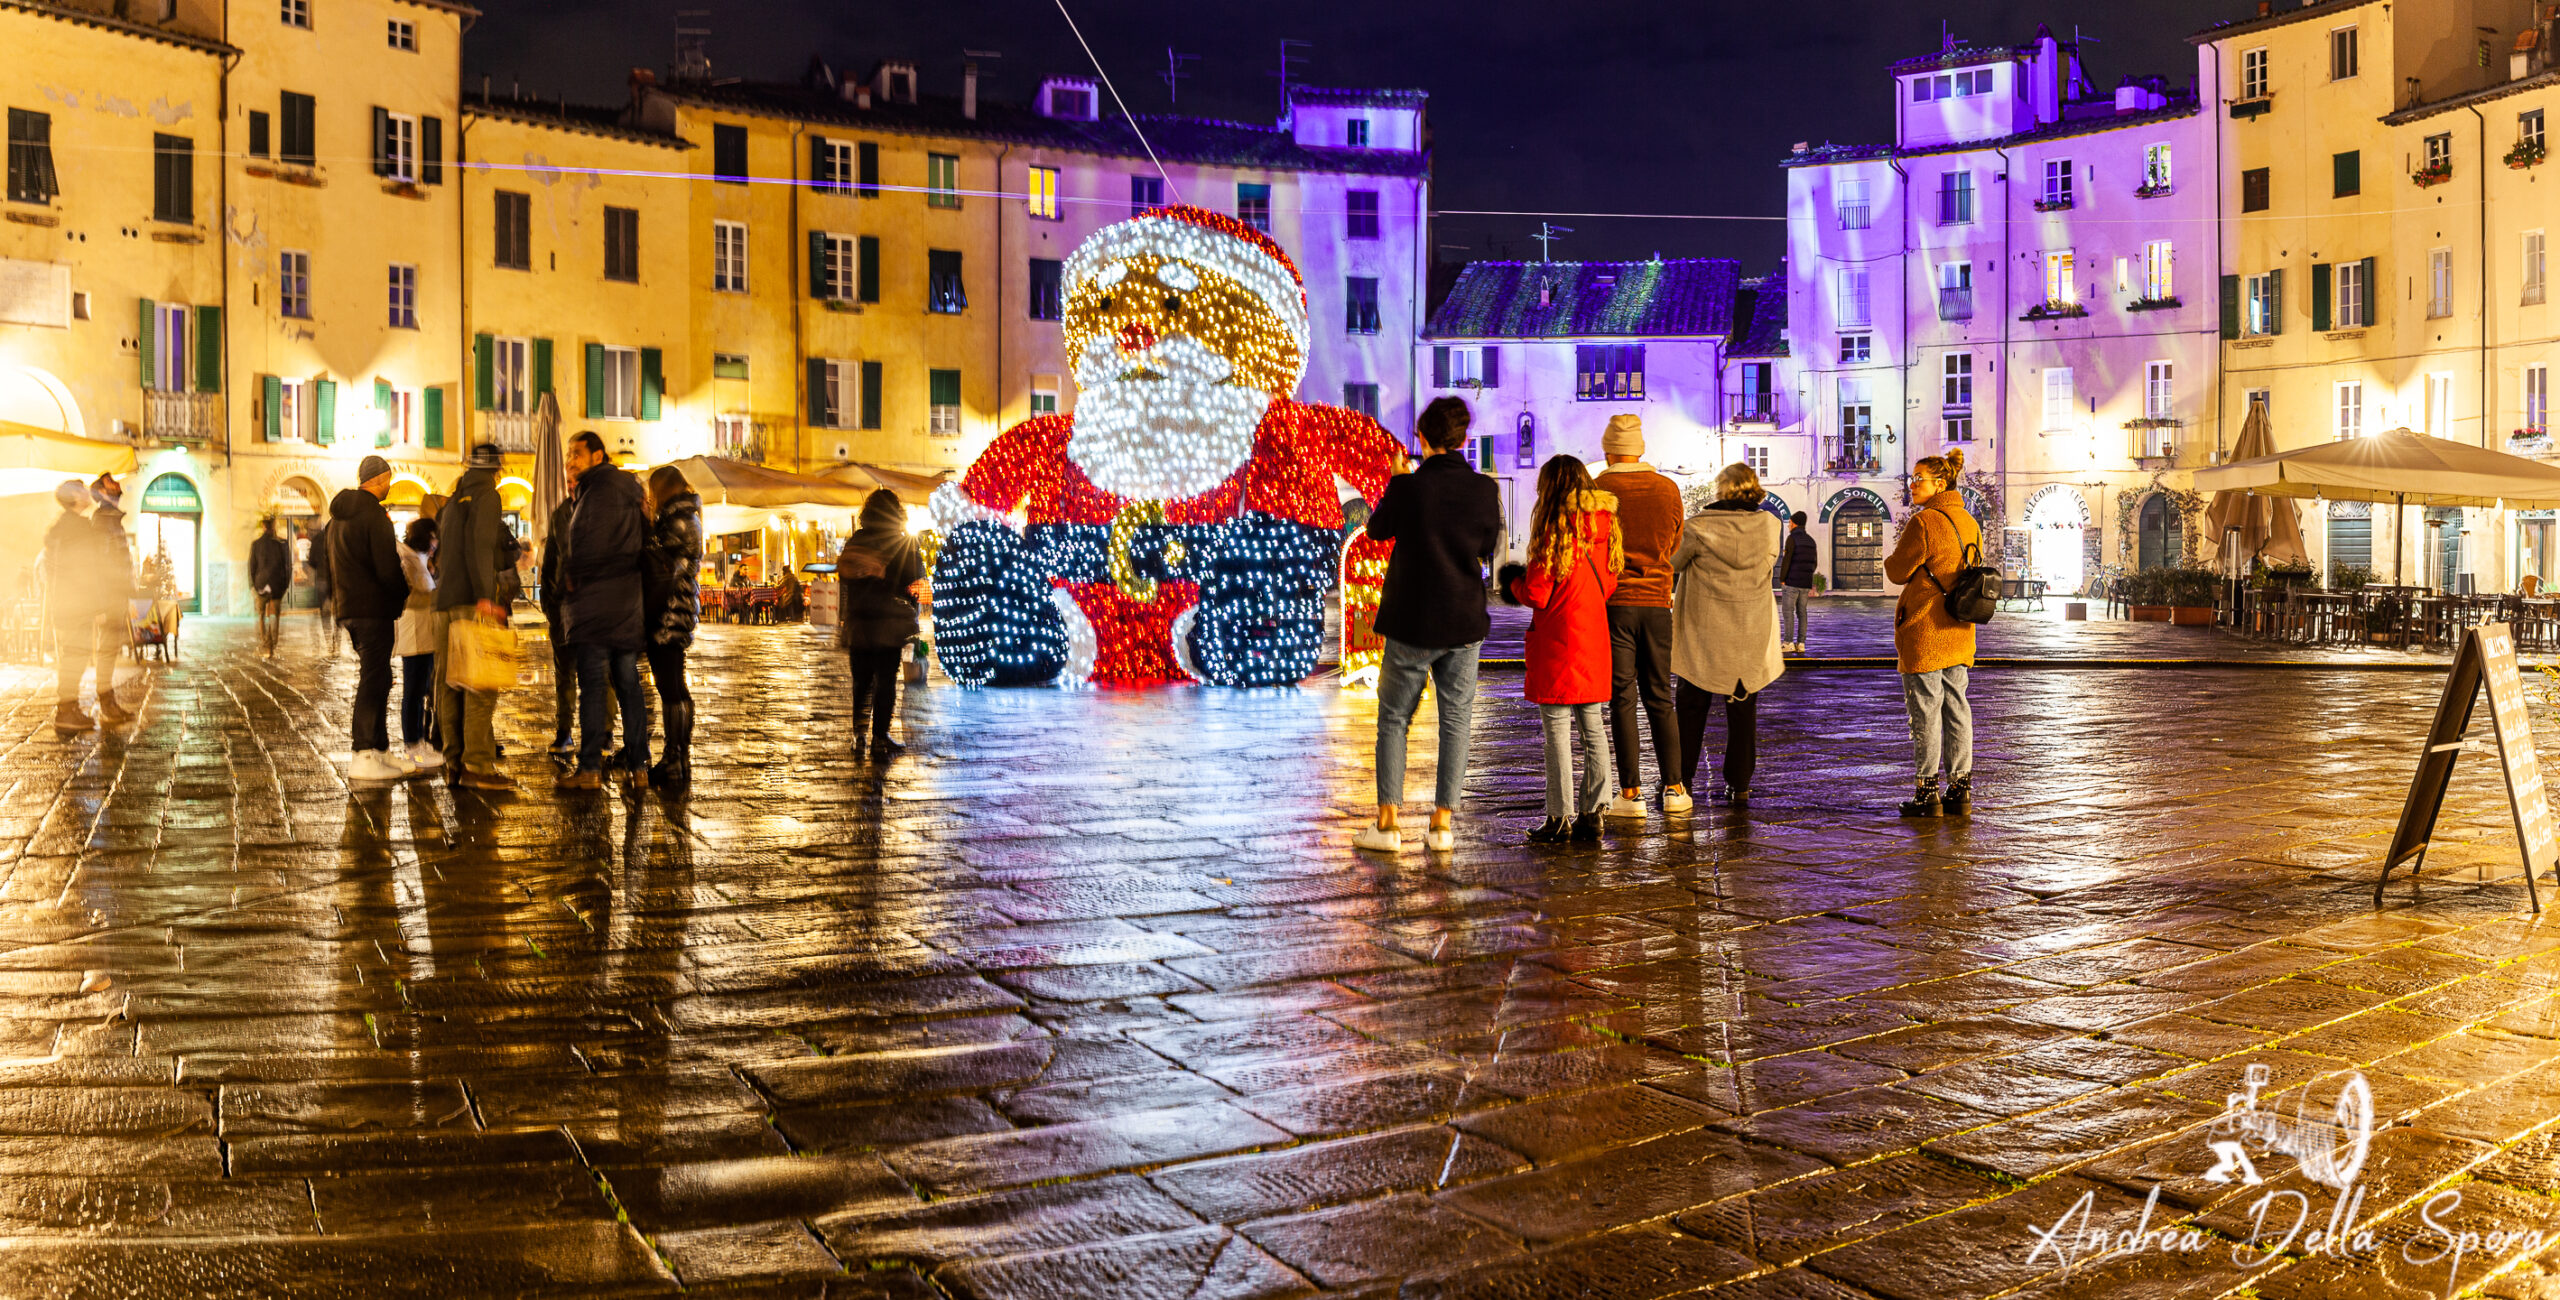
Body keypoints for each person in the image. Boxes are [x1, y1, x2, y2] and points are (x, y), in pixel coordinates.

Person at [1354, 396, 1502, 854]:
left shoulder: (1411, 486)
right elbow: (1489, 548)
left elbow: (1376, 530)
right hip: (1463, 620)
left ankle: (1388, 823)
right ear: (1464, 441)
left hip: (1413, 620)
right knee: (1456, 721)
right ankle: (1441, 825)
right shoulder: (1484, 489)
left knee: (1394, 718)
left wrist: (1397, 482)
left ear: (1422, 439)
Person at [1502, 455, 1619, 845]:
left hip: (1557, 642)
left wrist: (1513, 583)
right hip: (1594, 638)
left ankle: (1559, 817)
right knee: (1594, 730)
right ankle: (1595, 812)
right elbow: (1610, 584)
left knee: (1556, 733)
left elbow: (1536, 592)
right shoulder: (1606, 524)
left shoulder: (1555, 528)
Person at [1668, 463, 1785, 805]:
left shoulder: (1698, 528)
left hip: (1704, 635)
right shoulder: (1770, 526)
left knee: (1690, 712)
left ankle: (1682, 782)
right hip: (1749, 632)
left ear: (1722, 490)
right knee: (1744, 715)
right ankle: (1739, 783)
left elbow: (1673, 563)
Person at [1591, 413, 1688, 820]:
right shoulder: (1668, 489)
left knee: (1622, 698)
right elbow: (1676, 540)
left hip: (1615, 604)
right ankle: (1675, 787)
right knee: (1661, 696)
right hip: (1657, 602)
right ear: (1641, 448)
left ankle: (1630, 793)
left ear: (1609, 448)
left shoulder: (1599, 488)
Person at [1884, 447, 1982, 817]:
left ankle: (1927, 792)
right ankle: (1960, 788)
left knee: (1925, 711)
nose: (1912, 484)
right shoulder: (1969, 521)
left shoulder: (1923, 523)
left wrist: (1891, 559)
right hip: (1959, 627)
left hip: (1926, 628)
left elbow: (1897, 571)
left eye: (1918, 479)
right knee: (1957, 707)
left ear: (1940, 482)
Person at [557, 431, 651, 789]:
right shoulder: (628, 488)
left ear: (598, 456)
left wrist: (571, 575)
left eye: (577, 453)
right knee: (628, 683)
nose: (570, 460)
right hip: (627, 605)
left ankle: (590, 769)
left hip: (596, 608)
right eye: (569, 454)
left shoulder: (597, 493)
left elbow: (587, 548)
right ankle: (639, 766)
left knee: (594, 687)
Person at [327, 455, 416, 781]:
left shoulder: (336, 519)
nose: (389, 485)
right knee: (373, 679)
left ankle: (379, 749)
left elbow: (327, 566)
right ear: (380, 479)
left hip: (349, 608)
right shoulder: (374, 515)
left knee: (377, 676)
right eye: (388, 479)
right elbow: (387, 566)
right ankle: (364, 752)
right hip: (374, 609)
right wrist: (402, 593)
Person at [434, 444, 516, 790]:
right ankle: (478, 765)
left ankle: (454, 761)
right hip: (471, 600)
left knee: (450, 684)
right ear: (496, 468)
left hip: (444, 602)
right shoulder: (487, 496)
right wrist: (486, 596)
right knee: (480, 685)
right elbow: (480, 546)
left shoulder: (453, 499)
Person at [836, 489, 924, 756]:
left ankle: (858, 735)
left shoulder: (857, 540)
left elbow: (845, 576)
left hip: (859, 623)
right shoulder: (903, 543)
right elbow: (915, 582)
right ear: (897, 514)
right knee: (885, 680)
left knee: (861, 682)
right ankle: (880, 737)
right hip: (888, 624)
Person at [40, 481, 123, 735]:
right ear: (75, 497)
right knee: (75, 655)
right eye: (82, 489)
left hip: (65, 603)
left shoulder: (61, 526)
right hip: (78, 604)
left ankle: (69, 708)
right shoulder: (77, 528)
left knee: (72, 655)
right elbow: (88, 570)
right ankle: (66, 712)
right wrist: (97, 605)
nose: (88, 492)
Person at [642, 465, 703, 787]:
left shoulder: (676, 521)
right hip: (677, 612)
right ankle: (678, 758)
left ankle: (674, 759)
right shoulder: (685, 516)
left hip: (669, 614)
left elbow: (660, 568)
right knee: (674, 687)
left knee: (671, 689)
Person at [392, 517, 445, 771]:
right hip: (415, 631)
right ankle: (413, 745)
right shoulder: (408, 558)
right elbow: (418, 592)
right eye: (434, 538)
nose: (436, 543)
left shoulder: (420, 559)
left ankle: (419, 741)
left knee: (420, 688)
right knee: (413, 690)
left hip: (424, 633)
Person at [539, 493, 579, 757]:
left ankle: (604, 734)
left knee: (598, 673)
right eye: (568, 481)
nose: (571, 485)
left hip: (591, 604)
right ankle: (564, 731)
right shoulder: (560, 513)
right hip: (562, 607)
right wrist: (548, 599)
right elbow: (550, 559)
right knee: (564, 673)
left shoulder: (599, 506)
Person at [250, 516, 292, 657]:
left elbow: (252, 567)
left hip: (261, 585)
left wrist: (253, 585)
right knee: (275, 615)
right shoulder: (281, 543)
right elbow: (287, 567)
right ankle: (273, 642)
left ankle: (264, 641)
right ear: (273, 526)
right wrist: (285, 584)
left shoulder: (256, 544)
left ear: (263, 527)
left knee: (261, 615)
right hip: (277, 585)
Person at [1779, 511, 1819, 654]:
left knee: (1788, 612)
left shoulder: (1791, 538)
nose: (1789, 525)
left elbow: (1786, 560)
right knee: (1802, 613)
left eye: (1789, 523)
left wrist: (1782, 579)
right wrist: (1807, 575)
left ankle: (1788, 642)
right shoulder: (1811, 541)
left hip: (1791, 581)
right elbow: (1814, 563)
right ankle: (1801, 643)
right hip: (1805, 582)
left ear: (1794, 523)